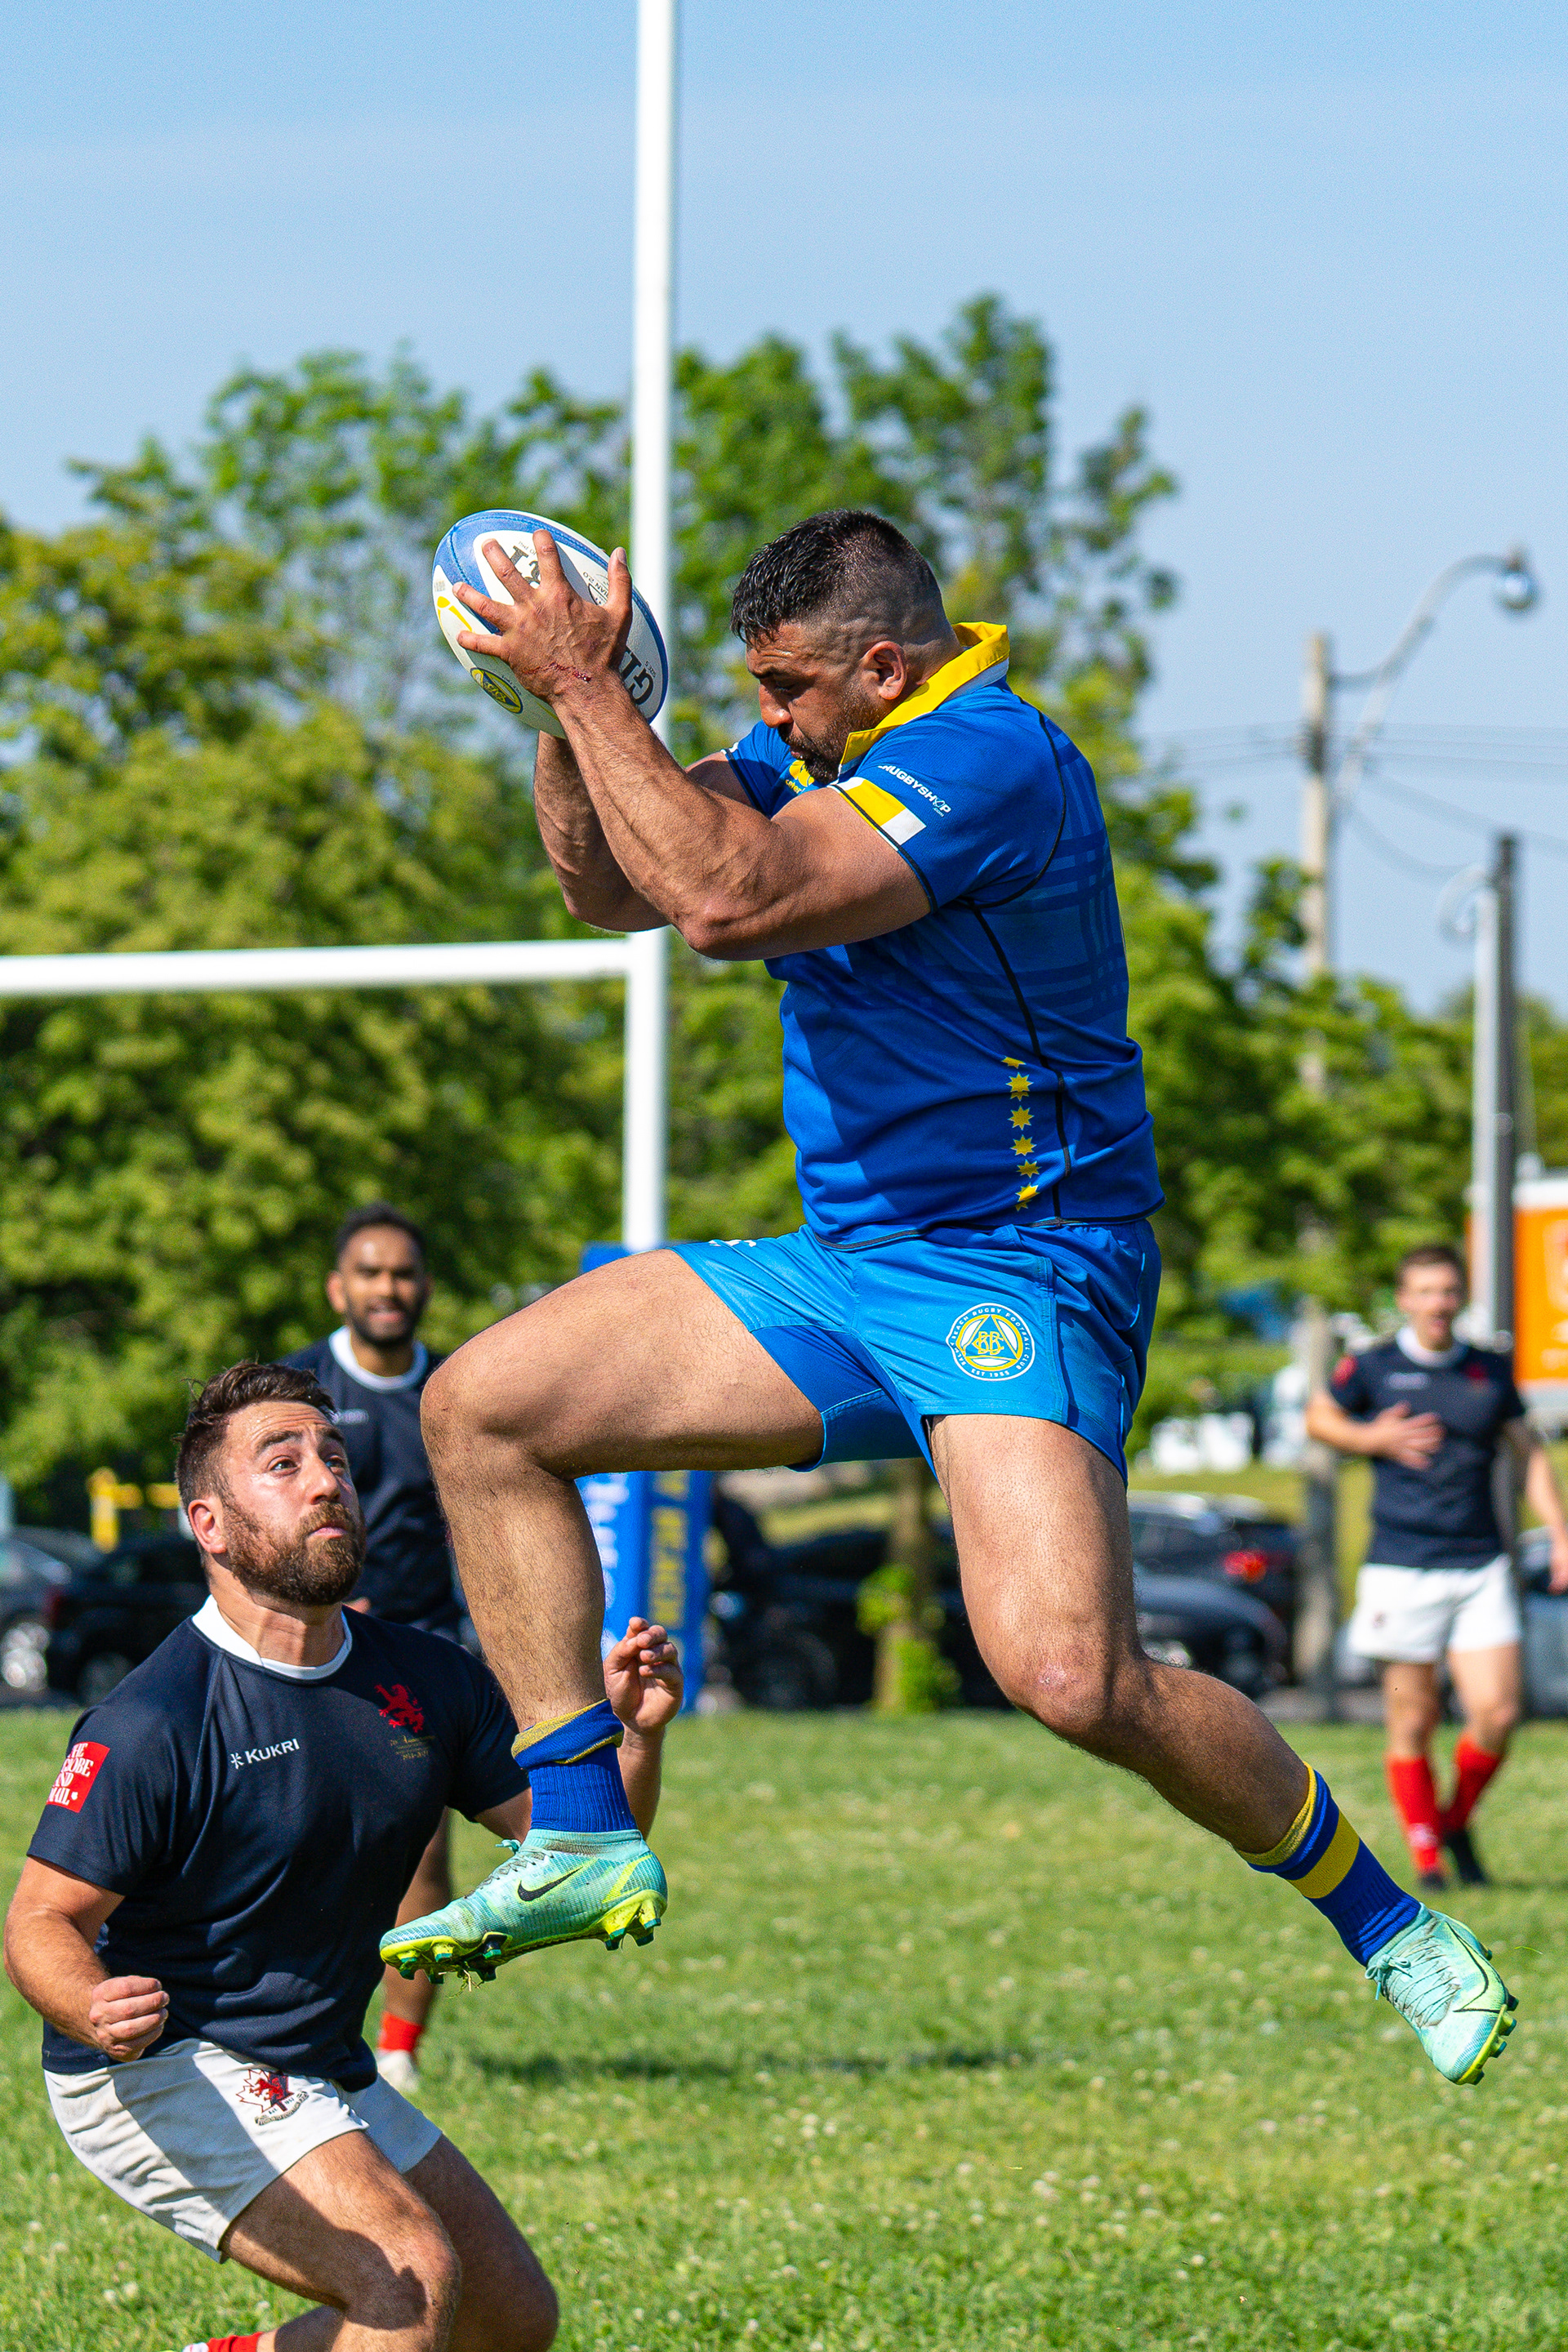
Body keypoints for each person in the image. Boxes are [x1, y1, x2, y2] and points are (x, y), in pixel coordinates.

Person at [382, 507, 1515, 2090]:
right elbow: (613, 892)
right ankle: (580, 1828)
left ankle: (1392, 1921)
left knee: (1070, 1678)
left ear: (881, 666)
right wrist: (566, 715)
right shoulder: (811, 743)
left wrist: (594, 695)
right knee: (482, 1407)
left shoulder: (992, 759)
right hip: (845, 1265)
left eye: (785, 687)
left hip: (1022, 1266)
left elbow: (729, 903)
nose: (766, 718)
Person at [2, 1361, 680, 2352]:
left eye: (335, 1459)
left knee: (508, 2321)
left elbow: (580, 1840)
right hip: (161, 2066)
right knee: (402, 2278)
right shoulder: (156, 1717)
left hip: (314, 2060)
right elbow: (40, 1922)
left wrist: (635, 1740)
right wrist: (87, 2000)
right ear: (211, 1526)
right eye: (284, 1465)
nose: (327, 1481)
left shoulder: (428, 1679)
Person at [1307, 1242, 1568, 1889]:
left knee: (1499, 1713)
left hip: (1479, 1565)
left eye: (1448, 1291)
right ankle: (1428, 1861)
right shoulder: (1373, 1366)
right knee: (1414, 1720)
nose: (1438, 1304)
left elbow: (1528, 1452)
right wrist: (1372, 1438)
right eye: (1424, 1291)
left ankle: (1453, 1819)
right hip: (1401, 1566)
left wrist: (1559, 1533)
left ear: (1461, 1297)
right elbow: (1319, 1417)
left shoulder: (1487, 1371)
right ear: (1405, 1299)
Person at [284, 1205, 458, 2095]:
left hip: (421, 1652)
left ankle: (394, 2053)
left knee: (421, 1852)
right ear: (337, 1288)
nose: (387, 1289)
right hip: (309, 1649)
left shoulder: (462, 1390)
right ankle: (286, 2026)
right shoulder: (296, 1392)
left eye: (401, 1273)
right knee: (298, 1840)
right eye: (370, 1272)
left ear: (423, 1287)